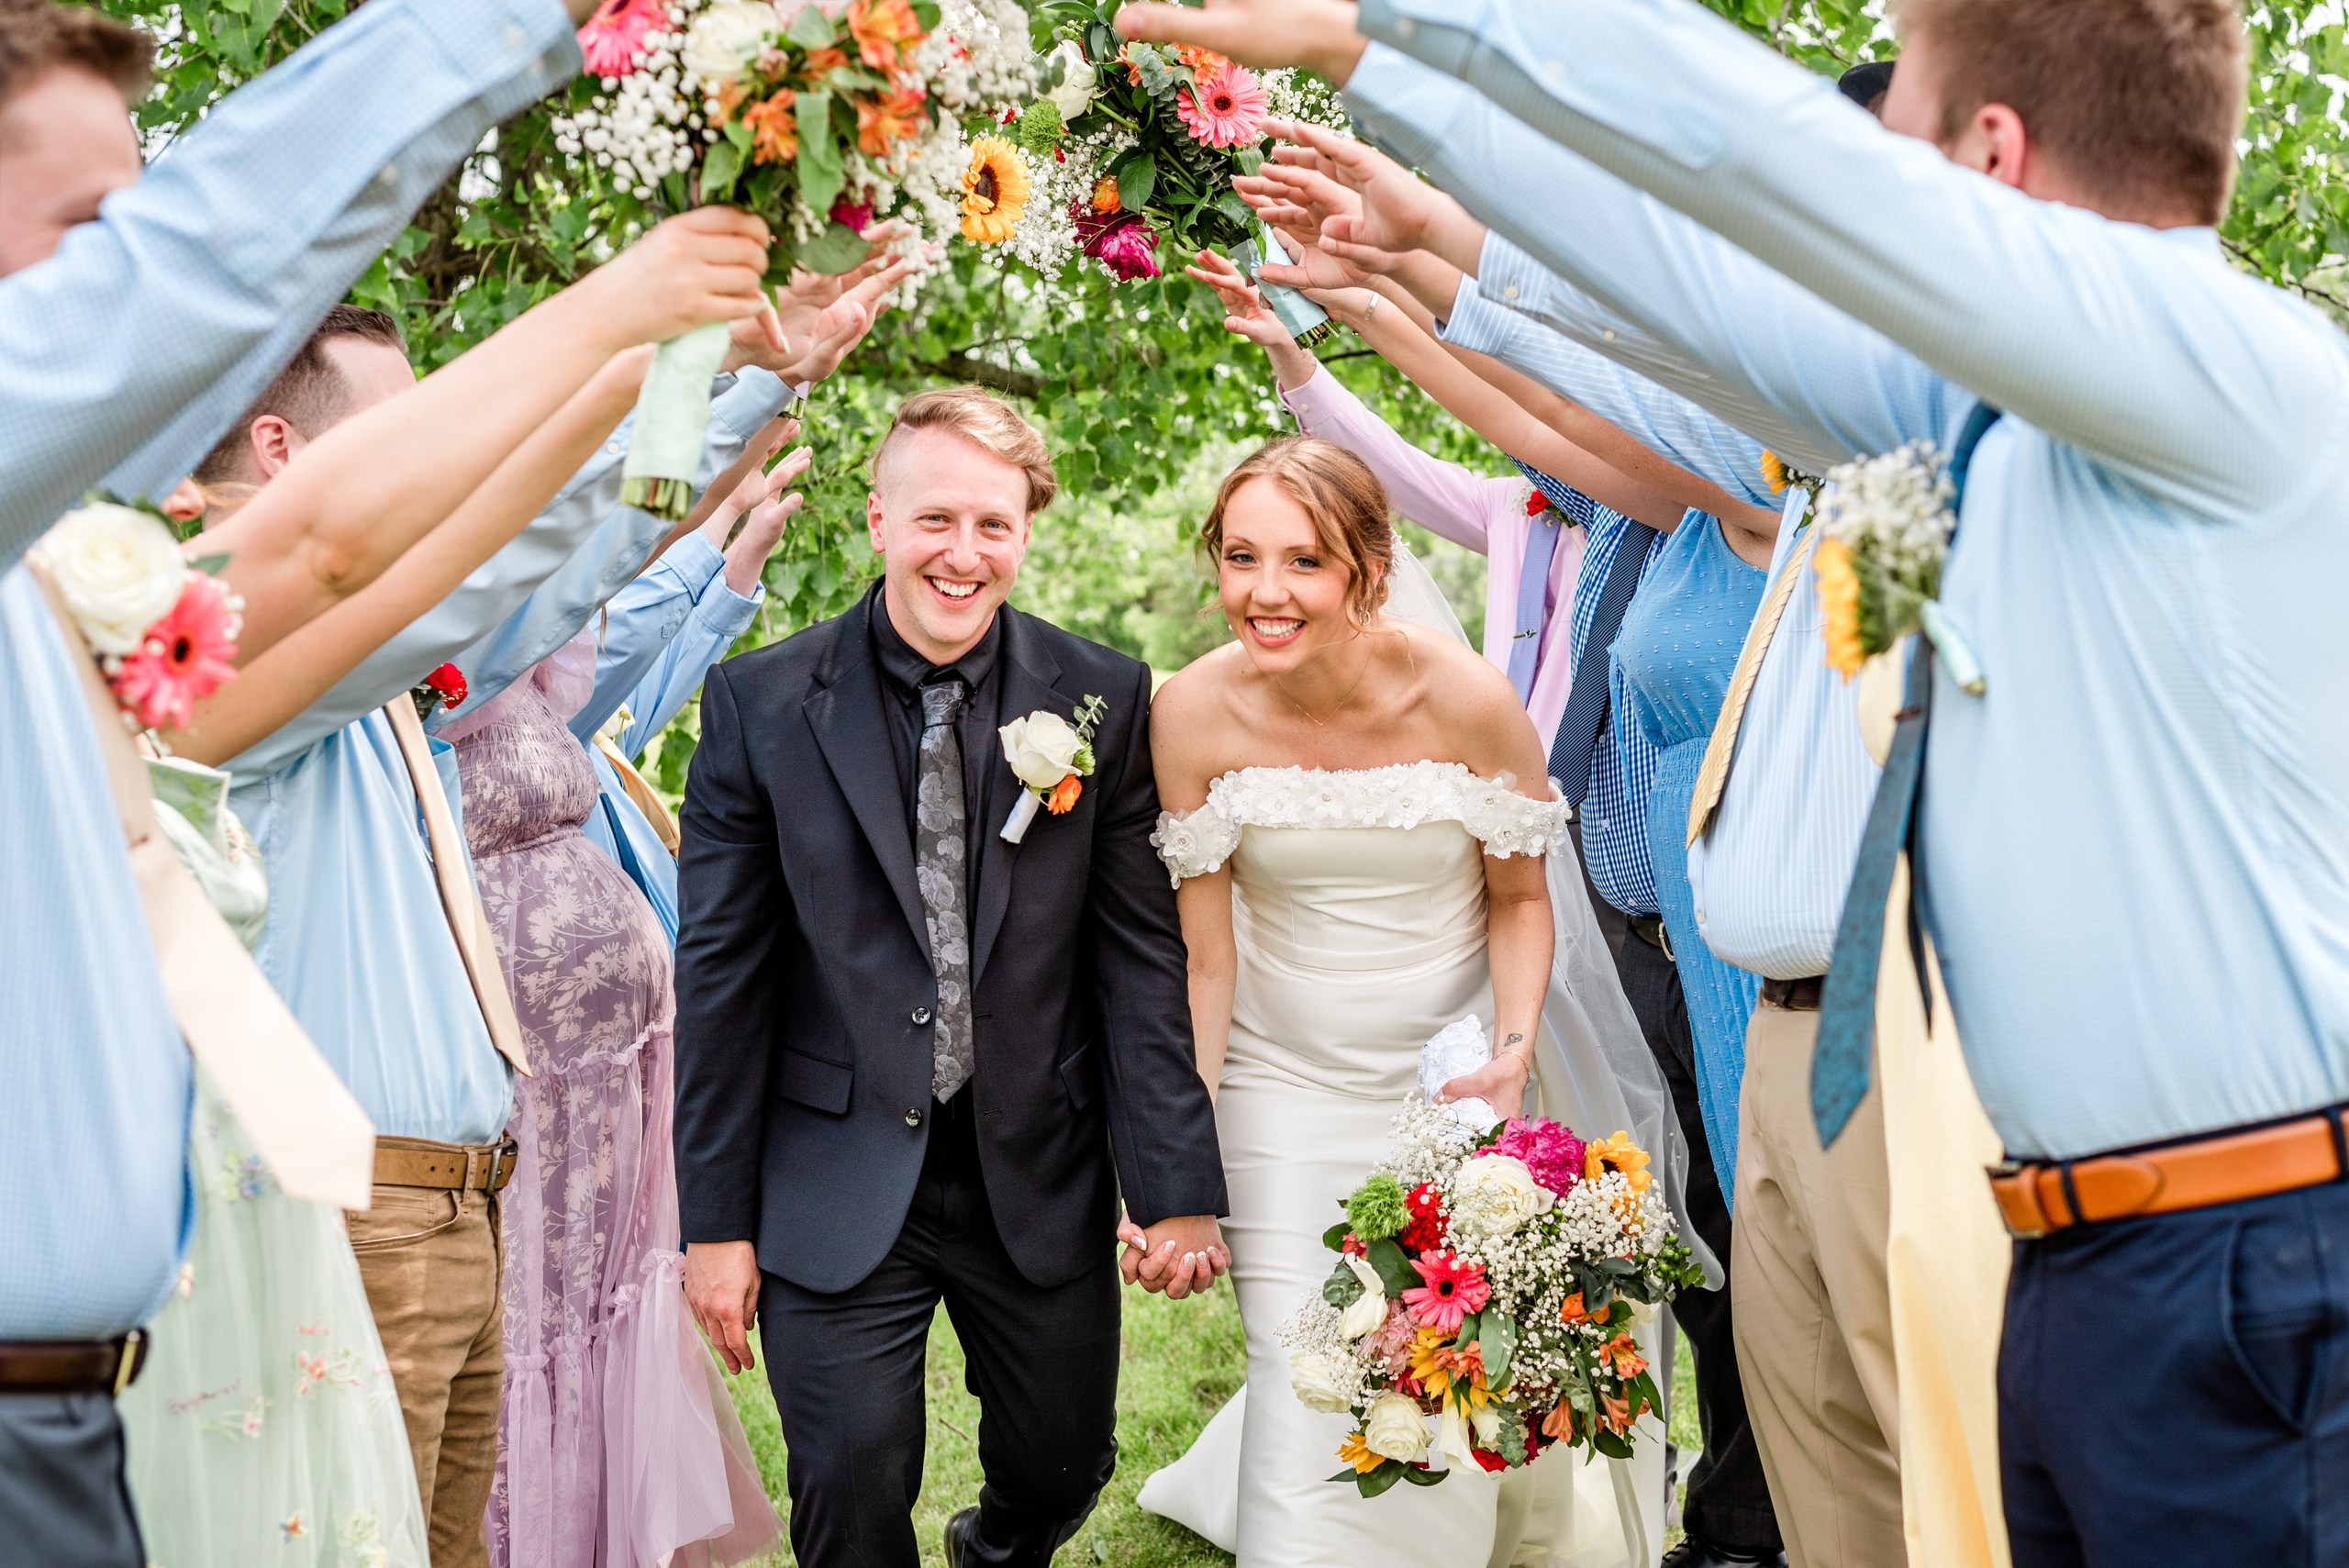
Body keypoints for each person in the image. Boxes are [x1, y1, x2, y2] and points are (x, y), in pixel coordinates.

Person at [1119, 0, 2349, 1563]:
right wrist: (1447, 229)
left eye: (1883, 151)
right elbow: (1706, 341)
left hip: (2247, 1264)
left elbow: (1751, 168)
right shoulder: (1991, 435)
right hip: (2085, 1249)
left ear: (1984, 161)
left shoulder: (2223, 368)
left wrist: (1392, 31)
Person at [0, 0, 592, 1560]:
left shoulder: (74, 581)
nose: (132, 282)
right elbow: (371, 559)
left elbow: (486, 559)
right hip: (295, 1237)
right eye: (89, 231)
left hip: (122, 1351)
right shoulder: (186, 602)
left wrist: (679, 376)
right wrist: (628, 323)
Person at [673, 386, 1230, 1568]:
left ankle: (994, 1549)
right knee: (853, 1485)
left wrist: (1171, 1180)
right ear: (878, 521)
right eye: (935, 520)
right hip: (832, 1163)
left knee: (1064, 1458)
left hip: (1033, 1159)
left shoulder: (1102, 698)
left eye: (992, 524)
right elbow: (722, 976)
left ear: (1025, 533)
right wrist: (713, 1222)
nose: (962, 554)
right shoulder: (759, 703)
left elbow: (1138, 965)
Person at [1143, 433, 1706, 1566]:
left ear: (1365, 563)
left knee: (1435, 1369)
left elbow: (1517, 899)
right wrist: (1180, 1137)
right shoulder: (1191, 712)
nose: (1264, 592)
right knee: (1301, 1366)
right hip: (1277, 1085)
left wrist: (1507, 1049)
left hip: (1441, 1093)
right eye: (1240, 557)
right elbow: (1207, 958)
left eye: (1301, 561)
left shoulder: (1465, 699)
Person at [439, 451, 810, 1568]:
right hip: (521, 1070)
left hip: (613, 1065)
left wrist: (729, 565)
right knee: (531, 1316)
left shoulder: (534, 681)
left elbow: (630, 668)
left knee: (596, 1303)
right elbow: (587, 584)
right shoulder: (436, 662)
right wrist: (706, 511)